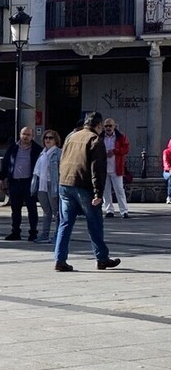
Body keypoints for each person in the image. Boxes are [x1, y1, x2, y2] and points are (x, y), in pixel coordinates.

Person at [54, 111, 121, 272]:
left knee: (65, 223)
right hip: (83, 186)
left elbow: (62, 159)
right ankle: (102, 258)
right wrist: (98, 194)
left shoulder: (72, 136)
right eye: (101, 127)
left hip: (65, 183)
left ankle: (60, 259)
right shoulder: (95, 140)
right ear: (98, 126)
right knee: (95, 222)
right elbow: (97, 169)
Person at [0, 126, 42, 241]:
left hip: (29, 182)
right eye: (23, 134)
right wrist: (1, 178)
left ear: (33, 136)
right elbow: (6, 163)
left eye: (28, 135)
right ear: (19, 135)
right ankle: (15, 232)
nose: (25, 137)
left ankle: (33, 232)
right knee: (15, 209)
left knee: (32, 209)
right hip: (15, 182)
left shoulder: (37, 149)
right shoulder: (13, 147)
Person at [32, 130, 62, 244]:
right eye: (46, 138)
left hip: (52, 184)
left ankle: (58, 235)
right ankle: (44, 234)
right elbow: (37, 171)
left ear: (56, 140)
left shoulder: (59, 153)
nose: (47, 140)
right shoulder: (42, 153)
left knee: (56, 211)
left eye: (50, 138)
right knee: (46, 211)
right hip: (42, 185)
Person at [101, 118, 131, 219]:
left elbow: (126, 148)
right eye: (106, 126)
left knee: (119, 189)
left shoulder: (121, 137)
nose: (108, 128)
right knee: (106, 190)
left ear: (114, 126)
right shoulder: (100, 137)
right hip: (104, 167)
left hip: (116, 167)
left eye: (110, 126)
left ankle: (124, 211)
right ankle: (109, 210)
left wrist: (115, 151)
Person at [163, 137, 171, 205]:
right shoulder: (166, 152)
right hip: (167, 172)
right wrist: (170, 169)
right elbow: (166, 163)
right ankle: (169, 197)